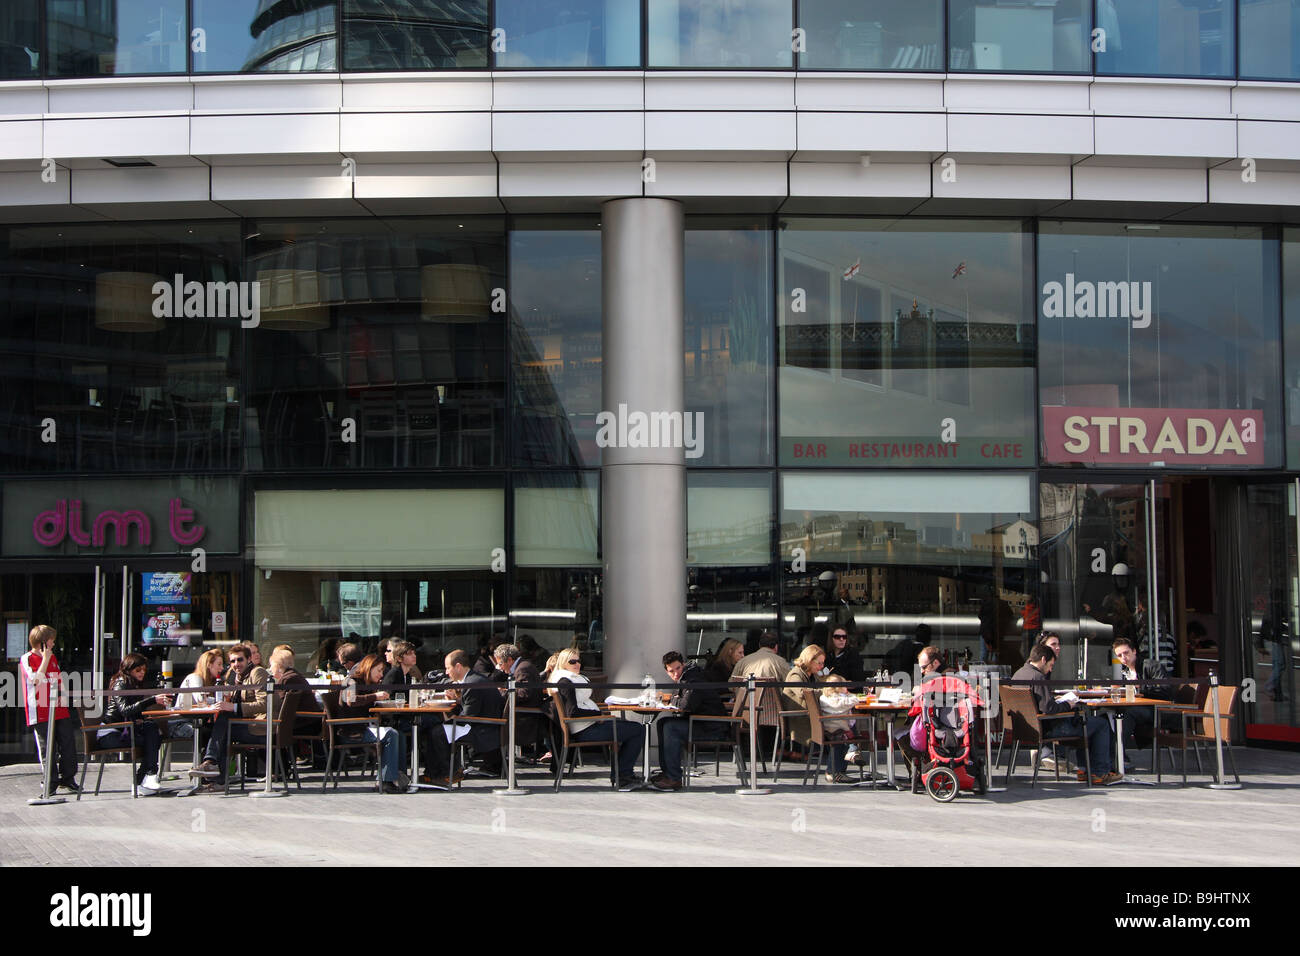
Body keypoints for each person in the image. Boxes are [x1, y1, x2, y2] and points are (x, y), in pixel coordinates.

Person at [1011, 644, 1120, 785]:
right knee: (1100, 724)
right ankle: (1098, 773)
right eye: (1051, 665)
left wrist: (1055, 701)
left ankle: (1083, 771)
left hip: (1026, 728)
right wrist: (1067, 704)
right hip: (1048, 728)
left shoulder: (1019, 674)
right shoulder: (1037, 677)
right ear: (1043, 659)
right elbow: (1048, 708)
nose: (1051, 669)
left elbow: (1040, 703)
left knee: (1086, 722)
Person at [548, 649, 644, 790]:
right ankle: (623, 777)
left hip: (589, 724)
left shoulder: (569, 678)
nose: (577, 664)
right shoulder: (565, 681)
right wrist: (597, 715)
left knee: (631, 726)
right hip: (585, 730)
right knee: (637, 730)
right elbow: (572, 712)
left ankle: (621, 774)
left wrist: (599, 714)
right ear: (563, 663)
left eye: (579, 661)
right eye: (572, 661)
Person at [187, 643, 270, 783]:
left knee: (223, 726)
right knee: (221, 725)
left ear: (249, 659)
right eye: (232, 661)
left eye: (240, 660)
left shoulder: (257, 672)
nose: (236, 664)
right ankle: (212, 769)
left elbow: (264, 704)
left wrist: (234, 707)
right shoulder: (234, 676)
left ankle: (213, 769)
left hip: (262, 727)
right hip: (244, 723)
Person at [649, 651, 727, 791]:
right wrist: (673, 699)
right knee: (663, 723)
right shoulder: (685, 678)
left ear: (683, 664)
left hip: (713, 727)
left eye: (678, 668)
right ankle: (667, 773)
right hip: (701, 723)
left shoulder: (693, 679)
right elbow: (680, 700)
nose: (675, 673)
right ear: (667, 671)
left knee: (670, 727)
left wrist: (670, 699)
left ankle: (674, 778)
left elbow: (686, 705)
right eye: (671, 671)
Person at [425, 650, 505, 783]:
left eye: (448, 668)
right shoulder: (473, 679)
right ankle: (434, 773)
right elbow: (470, 707)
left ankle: (446, 774)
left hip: (484, 729)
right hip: (484, 725)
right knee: (438, 730)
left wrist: (450, 712)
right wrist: (456, 702)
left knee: (437, 732)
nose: (446, 672)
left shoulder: (472, 683)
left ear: (458, 666)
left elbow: (467, 716)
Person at [20, 625, 81, 795]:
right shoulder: (27, 658)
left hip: (59, 707)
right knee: (48, 748)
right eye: (51, 640)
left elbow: (58, 677)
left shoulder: (53, 657)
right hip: (40, 709)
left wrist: (64, 695)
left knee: (68, 743)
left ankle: (68, 778)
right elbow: (35, 680)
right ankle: (50, 783)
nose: (53, 643)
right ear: (43, 642)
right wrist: (45, 659)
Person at [335, 653, 409, 793]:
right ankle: (386, 781)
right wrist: (375, 696)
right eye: (379, 670)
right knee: (391, 734)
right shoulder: (349, 681)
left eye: (382, 671)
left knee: (400, 734)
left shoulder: (369, 684)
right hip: (352, 731)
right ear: (369, 667)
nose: (381, 675)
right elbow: (351, 700)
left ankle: (399, 777)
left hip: (365, 726)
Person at [101, 653, 173, 793]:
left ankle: (144, 779)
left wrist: (140, 719)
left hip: (125, 730)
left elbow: (133, 711)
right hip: (111, 734)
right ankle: (145, 779)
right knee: (151, 739)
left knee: (152, 731)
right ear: (128, 669)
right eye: (138, 670)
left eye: (144, 670)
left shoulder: (133, 684)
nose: (142, 673)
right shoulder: (120, 683)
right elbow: (125, 710)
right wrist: (152, 700)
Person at [783, 645, 850, 783]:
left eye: (823, 663)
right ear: (809, 660)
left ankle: (837, 769)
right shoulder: (796, 674)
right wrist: (829, 690)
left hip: (810, 716)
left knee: (842, 726)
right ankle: (834, 771)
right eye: (818, 663)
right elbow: (804, 693)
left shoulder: (811, 675)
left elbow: (821, 686)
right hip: (801, 720)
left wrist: (829, 681)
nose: (821, 666)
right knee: (839, 729)